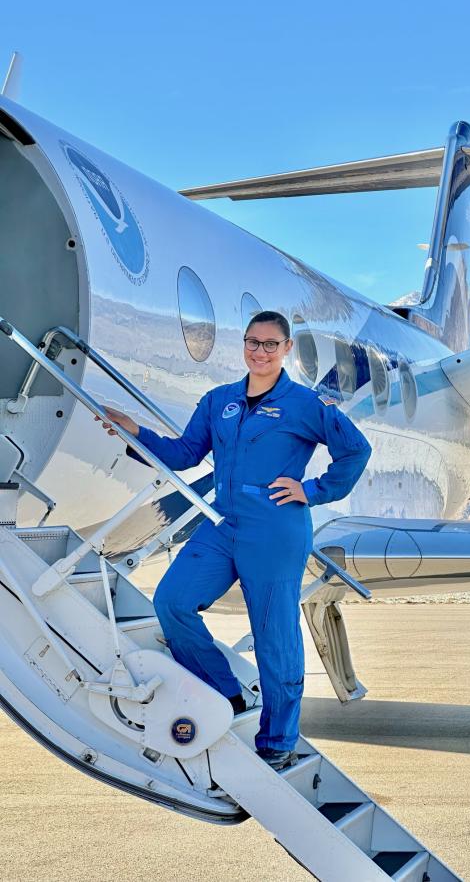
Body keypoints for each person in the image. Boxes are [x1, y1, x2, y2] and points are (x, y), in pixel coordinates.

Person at [97, 311, 372, 770]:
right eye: (252, 342)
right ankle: (225, 693)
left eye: (270, 344)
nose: (259, 352)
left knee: (274, 636)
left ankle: (278, 741)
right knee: (172, 601)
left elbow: (355, 450)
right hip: (222, 523)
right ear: (243, 346)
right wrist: (136, 432)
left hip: (275, 529)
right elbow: (184, 455)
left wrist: (315, 490)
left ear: (286, 349)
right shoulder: (218, 400)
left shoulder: (305, 404)